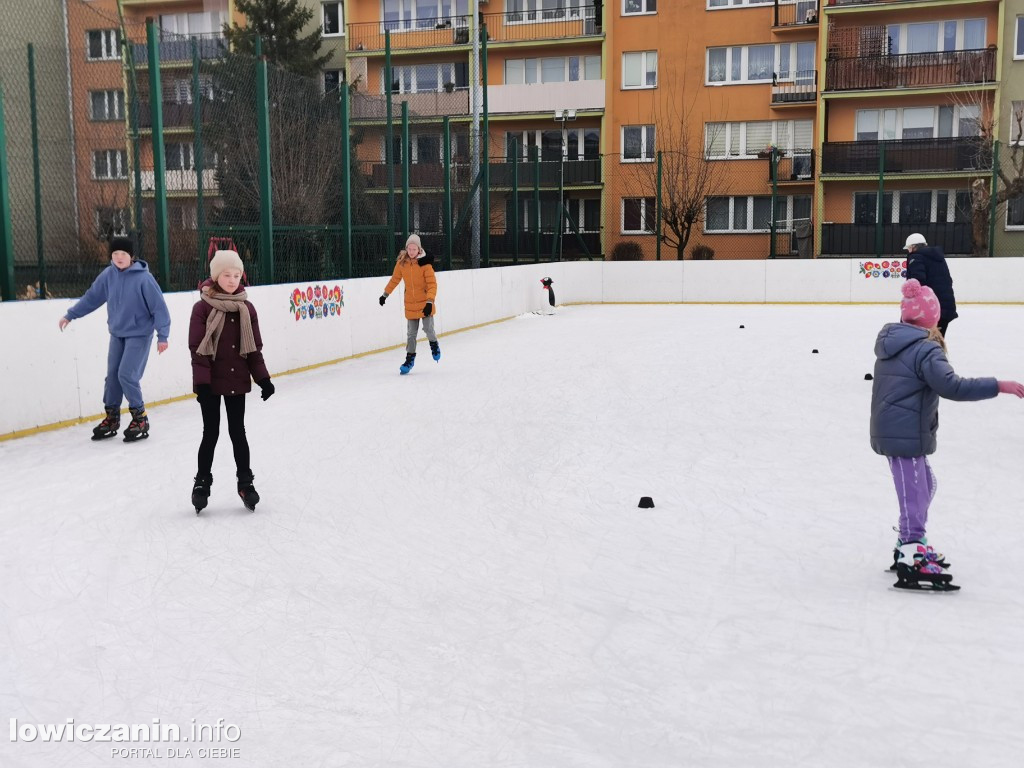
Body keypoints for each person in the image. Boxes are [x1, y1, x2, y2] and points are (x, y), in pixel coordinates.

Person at [870, 278, 1024, 590]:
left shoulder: (895, 342)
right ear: (933, 318)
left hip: (895, 430)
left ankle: (910, 542)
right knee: (914, 492)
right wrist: (998, 385)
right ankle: (911, 551)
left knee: (925, 485)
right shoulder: (925, 349)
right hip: (905, 433)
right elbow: (953, 386)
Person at [58, 235, 170, 442]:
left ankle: (140, 417)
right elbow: (92, 297)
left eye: (123, 254)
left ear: (131, 256)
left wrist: (163, 335)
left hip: (139, 334)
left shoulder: (144, 278)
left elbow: (159, 308)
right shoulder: (108, 275)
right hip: (117, 334)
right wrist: (71, 314)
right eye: (115, 253)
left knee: (126, 375)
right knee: (112, 377)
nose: (119, 257)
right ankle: (112, 417)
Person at [188, 250, 274, 514]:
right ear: (216, 276)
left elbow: (253, 349)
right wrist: (202, 384)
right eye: (227, 275)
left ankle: (245, 483)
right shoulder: (202, 307)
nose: (232, 279)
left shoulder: (246, 308)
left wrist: (263, 379)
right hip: (210, 383)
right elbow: (197, 348)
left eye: (237, 275)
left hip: (236, 379)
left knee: (238, 433)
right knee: (210, 433)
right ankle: (201, 483)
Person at [379, 234, 440, 375]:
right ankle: (409, 359)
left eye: (414, 249)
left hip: (425, 304)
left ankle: (434, 344)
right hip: (411, 304)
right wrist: (385, 294)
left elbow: (432, 284)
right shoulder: (402, 263)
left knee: (428, 329)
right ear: (406, 249)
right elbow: (395, 279)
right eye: (409, 249)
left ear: (419, 249)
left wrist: (430, 301)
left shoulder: (425, 264)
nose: (412, 252)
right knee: (411, 334)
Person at [903, 232, 957, 336]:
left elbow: (917, 282)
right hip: (946, 307)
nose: (908, 251)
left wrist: (908, 305)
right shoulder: (938, 258)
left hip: (929, 309)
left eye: (909, 248)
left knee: (923, 343)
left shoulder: (916, 257)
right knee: (937, 343)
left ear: (914, 247)